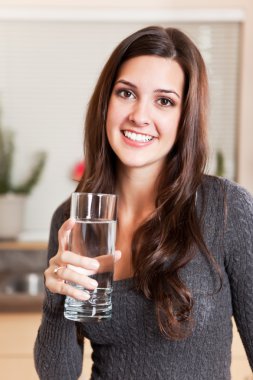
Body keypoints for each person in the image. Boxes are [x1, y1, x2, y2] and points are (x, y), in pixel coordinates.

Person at [34, 26, 253, 380]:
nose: (139, 115)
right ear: (106, 103)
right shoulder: (74, 216)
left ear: (185, 119)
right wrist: (57, 297)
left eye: (164, 101)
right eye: (126, 93)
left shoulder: (226, 207)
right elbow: (57, 374)